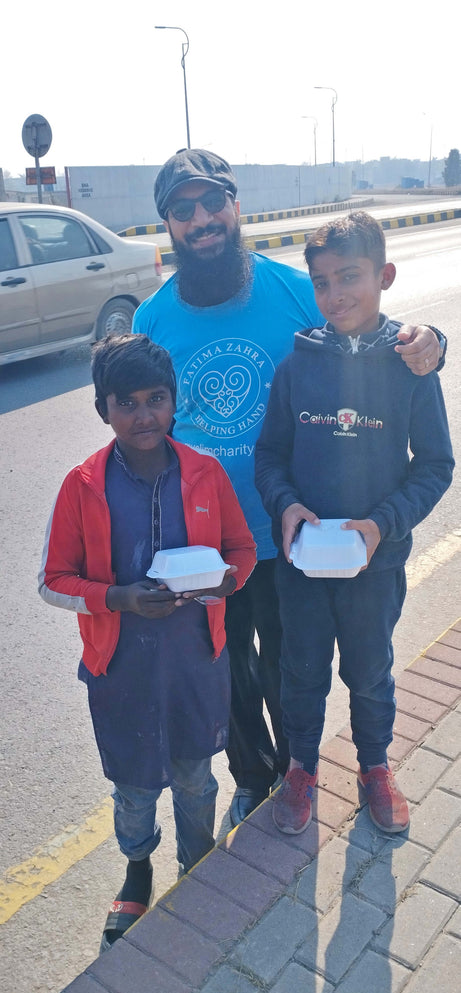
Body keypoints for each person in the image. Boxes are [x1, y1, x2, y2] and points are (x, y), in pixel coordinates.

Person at [133, 148, 446, 827]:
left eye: (211, 201)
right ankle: (255, 778)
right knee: (227, 670)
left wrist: (432, 341)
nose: (200, 219)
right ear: (168, 224)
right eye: (182, 210)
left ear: (234, 205)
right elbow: (141, 423)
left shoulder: (296, 288)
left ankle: (300, 771)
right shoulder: (151, 319)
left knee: (292, 667)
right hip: (207, 542)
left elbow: (372, 330)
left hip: (291, 545)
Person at [38, 334, 256, 950]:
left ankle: (197, 864)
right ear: (102, 409)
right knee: (133, 787)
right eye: (126, 402)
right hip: (121, 669)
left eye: (156, 399)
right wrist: (119, 598)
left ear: (174, 401)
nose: (143, 415)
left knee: (196, 777)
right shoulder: (82, 485)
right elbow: (53, 582)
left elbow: (241, 550)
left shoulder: (205, 473)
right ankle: (137, 869)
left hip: (195, 662)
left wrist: (223, 582)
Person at [254, 211, 454, 835]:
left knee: (369, 673)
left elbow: (436, 465)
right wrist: (286, 505)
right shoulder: (295, 368)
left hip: (377, 562)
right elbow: (270, 456)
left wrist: (382, 524)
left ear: (383, 276)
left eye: (349, 277)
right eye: (322, 283)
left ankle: (374, 767)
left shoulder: (410, 367)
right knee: (301, 672)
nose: (335, 295)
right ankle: (301, 769)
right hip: (303, 565)